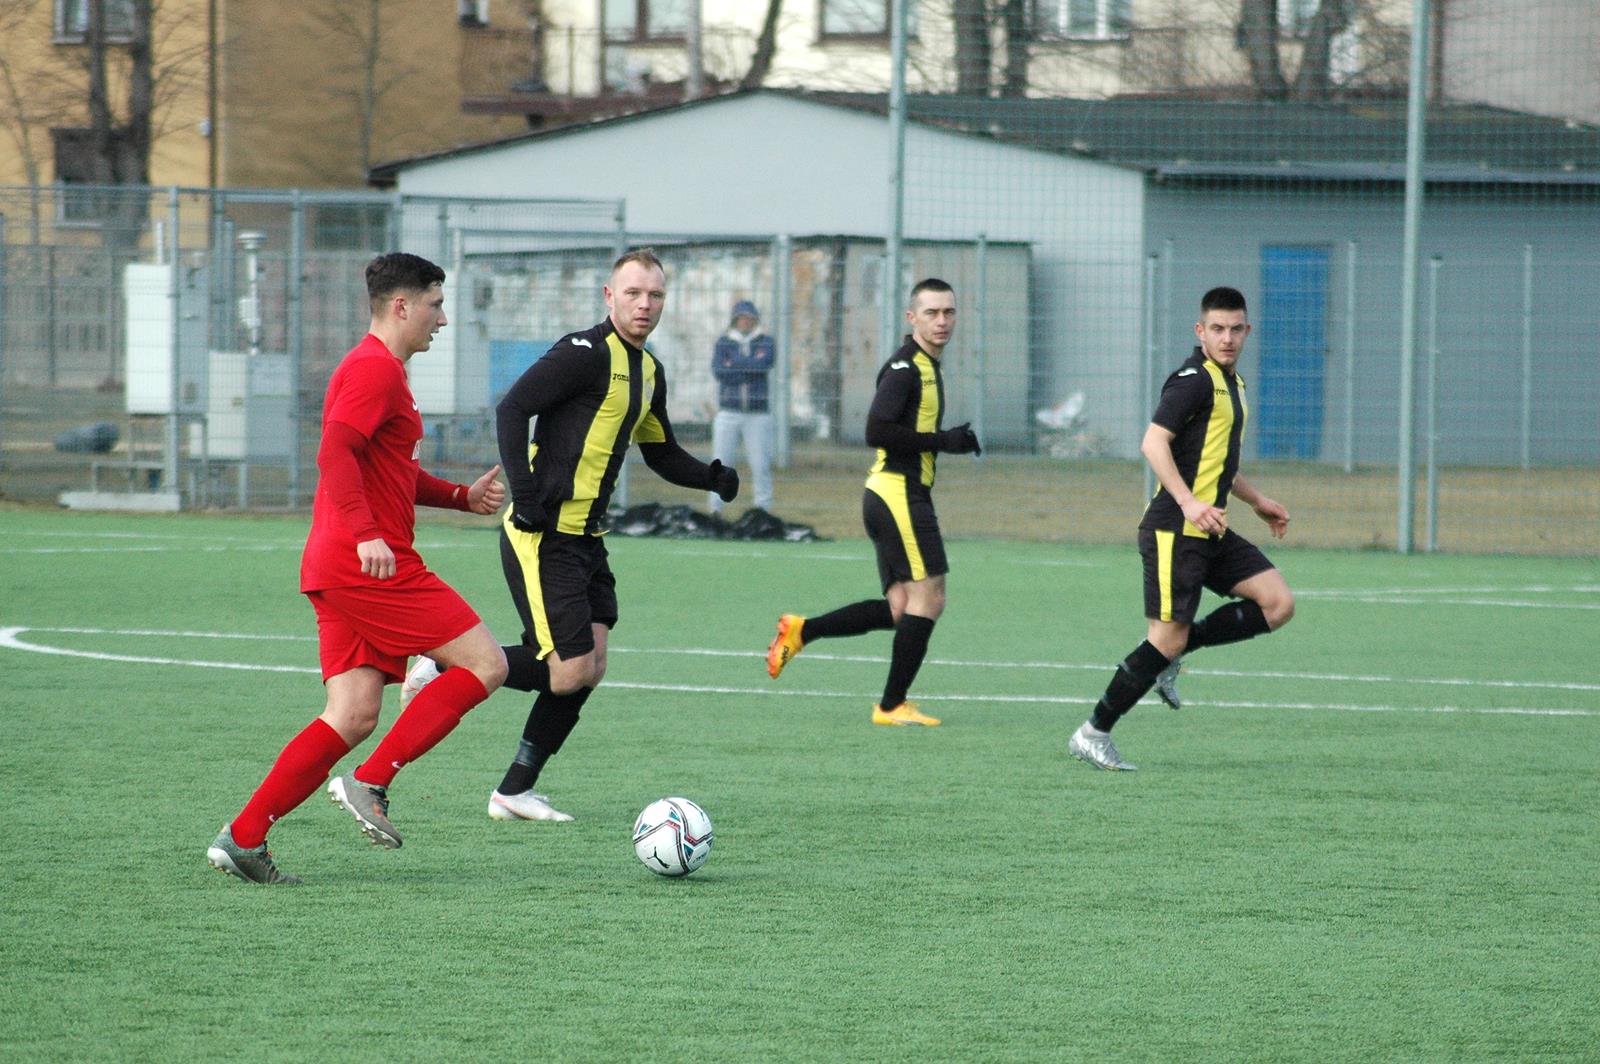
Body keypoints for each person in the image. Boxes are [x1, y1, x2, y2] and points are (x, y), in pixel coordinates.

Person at [402, 248, 738, 822]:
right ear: (610, 297)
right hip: (543, 533)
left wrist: (709, 475)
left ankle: (513, 791)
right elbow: (513, 410)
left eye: (655, 295)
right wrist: (527, 496)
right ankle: (440, 663)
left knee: (592, 661)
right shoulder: (583, 353)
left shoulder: (648, 370)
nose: (644, 304)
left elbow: (660, 451)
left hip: (587, 538)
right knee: (568, 668)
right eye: (633, 293)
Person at [206, 252, 509, 884]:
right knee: (487, 663)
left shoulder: (381, 371)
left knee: (352, 714)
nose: (443, 319)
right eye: (435, 304)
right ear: (402, 306)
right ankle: (372, 780)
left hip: (337, 564)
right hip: (365, 562)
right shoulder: (374, 369)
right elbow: (334, 450)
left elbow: (388, 468)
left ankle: (243, 837)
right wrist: (370, 533)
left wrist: (459, 497)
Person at [1068, 285, 1295, 771]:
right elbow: (1153, 444)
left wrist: (1257, 501)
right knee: (1164, 639)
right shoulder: (1193, 379)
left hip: (1211, 526)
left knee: (1277, 604)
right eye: (1217, 328)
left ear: (1248, 331)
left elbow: (1212, 461)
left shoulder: (1233, 384)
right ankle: (1094, 731)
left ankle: (1173, 655)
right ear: (1201, 331)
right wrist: (1190, 503)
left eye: (1236, 328)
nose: (1227, 337)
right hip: (1176, 527)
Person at [764, 278, 981, 727]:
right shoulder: (907, 368)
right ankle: (891, 706)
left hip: (892, 493)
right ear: (911, 317)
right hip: (897, 492)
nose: (941, 321)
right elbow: (876, 431)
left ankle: (803, 630)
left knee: (903, 608)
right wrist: (947, 441)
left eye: (949, 313)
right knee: (931, 596)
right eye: (931, 313)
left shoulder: (926, 365)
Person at [708, 299, 776, 515]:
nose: (745, 321)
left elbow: (763, 365)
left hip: (757, 414)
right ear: (735, 320)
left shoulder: (766, 342)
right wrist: (749, 367)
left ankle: (762, 509)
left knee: (760, 465)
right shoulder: (723, 343)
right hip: (728, 412)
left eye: (749, 318)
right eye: (741, 318)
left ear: (754, 320)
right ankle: (715, 510)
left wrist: (734, 364)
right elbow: (720, 371)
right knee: (720, 464)